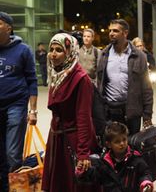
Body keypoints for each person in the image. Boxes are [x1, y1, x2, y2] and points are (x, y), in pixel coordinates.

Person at [41, 33, 99, 192]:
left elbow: (84, 118)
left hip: (72, 141)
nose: (53, 53)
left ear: (70, 52)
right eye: (51, 49)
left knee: (73, 185)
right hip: (56, 139)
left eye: (59, 50)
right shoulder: (57, 74)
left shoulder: (80, 79)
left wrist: (83, 153)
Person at [0, 11, 38, 191]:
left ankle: (15, 187)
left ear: (9, 27)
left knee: (12, 153)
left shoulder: (23, 50)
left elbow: (32, 80)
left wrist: (33, 110)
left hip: (15, 104)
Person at [96, 19, 153, 136]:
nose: (111, 33)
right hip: (109, 112)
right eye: (110, 30)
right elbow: (99, 84)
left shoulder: (139, 56)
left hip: (131, 112)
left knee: (132, 148)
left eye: (115, 31)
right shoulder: (104, 55)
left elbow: (146, 87)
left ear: (125, 33)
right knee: (111, 149)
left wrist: (147, 114)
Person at [76, 121, 154, 192]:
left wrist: (146, 183)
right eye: (117, 141)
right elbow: (94, 176)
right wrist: (82, 170)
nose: (122, 143)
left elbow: (145, 173)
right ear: (109, 144)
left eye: (124, 139)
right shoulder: (104, 163)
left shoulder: (135, 158)